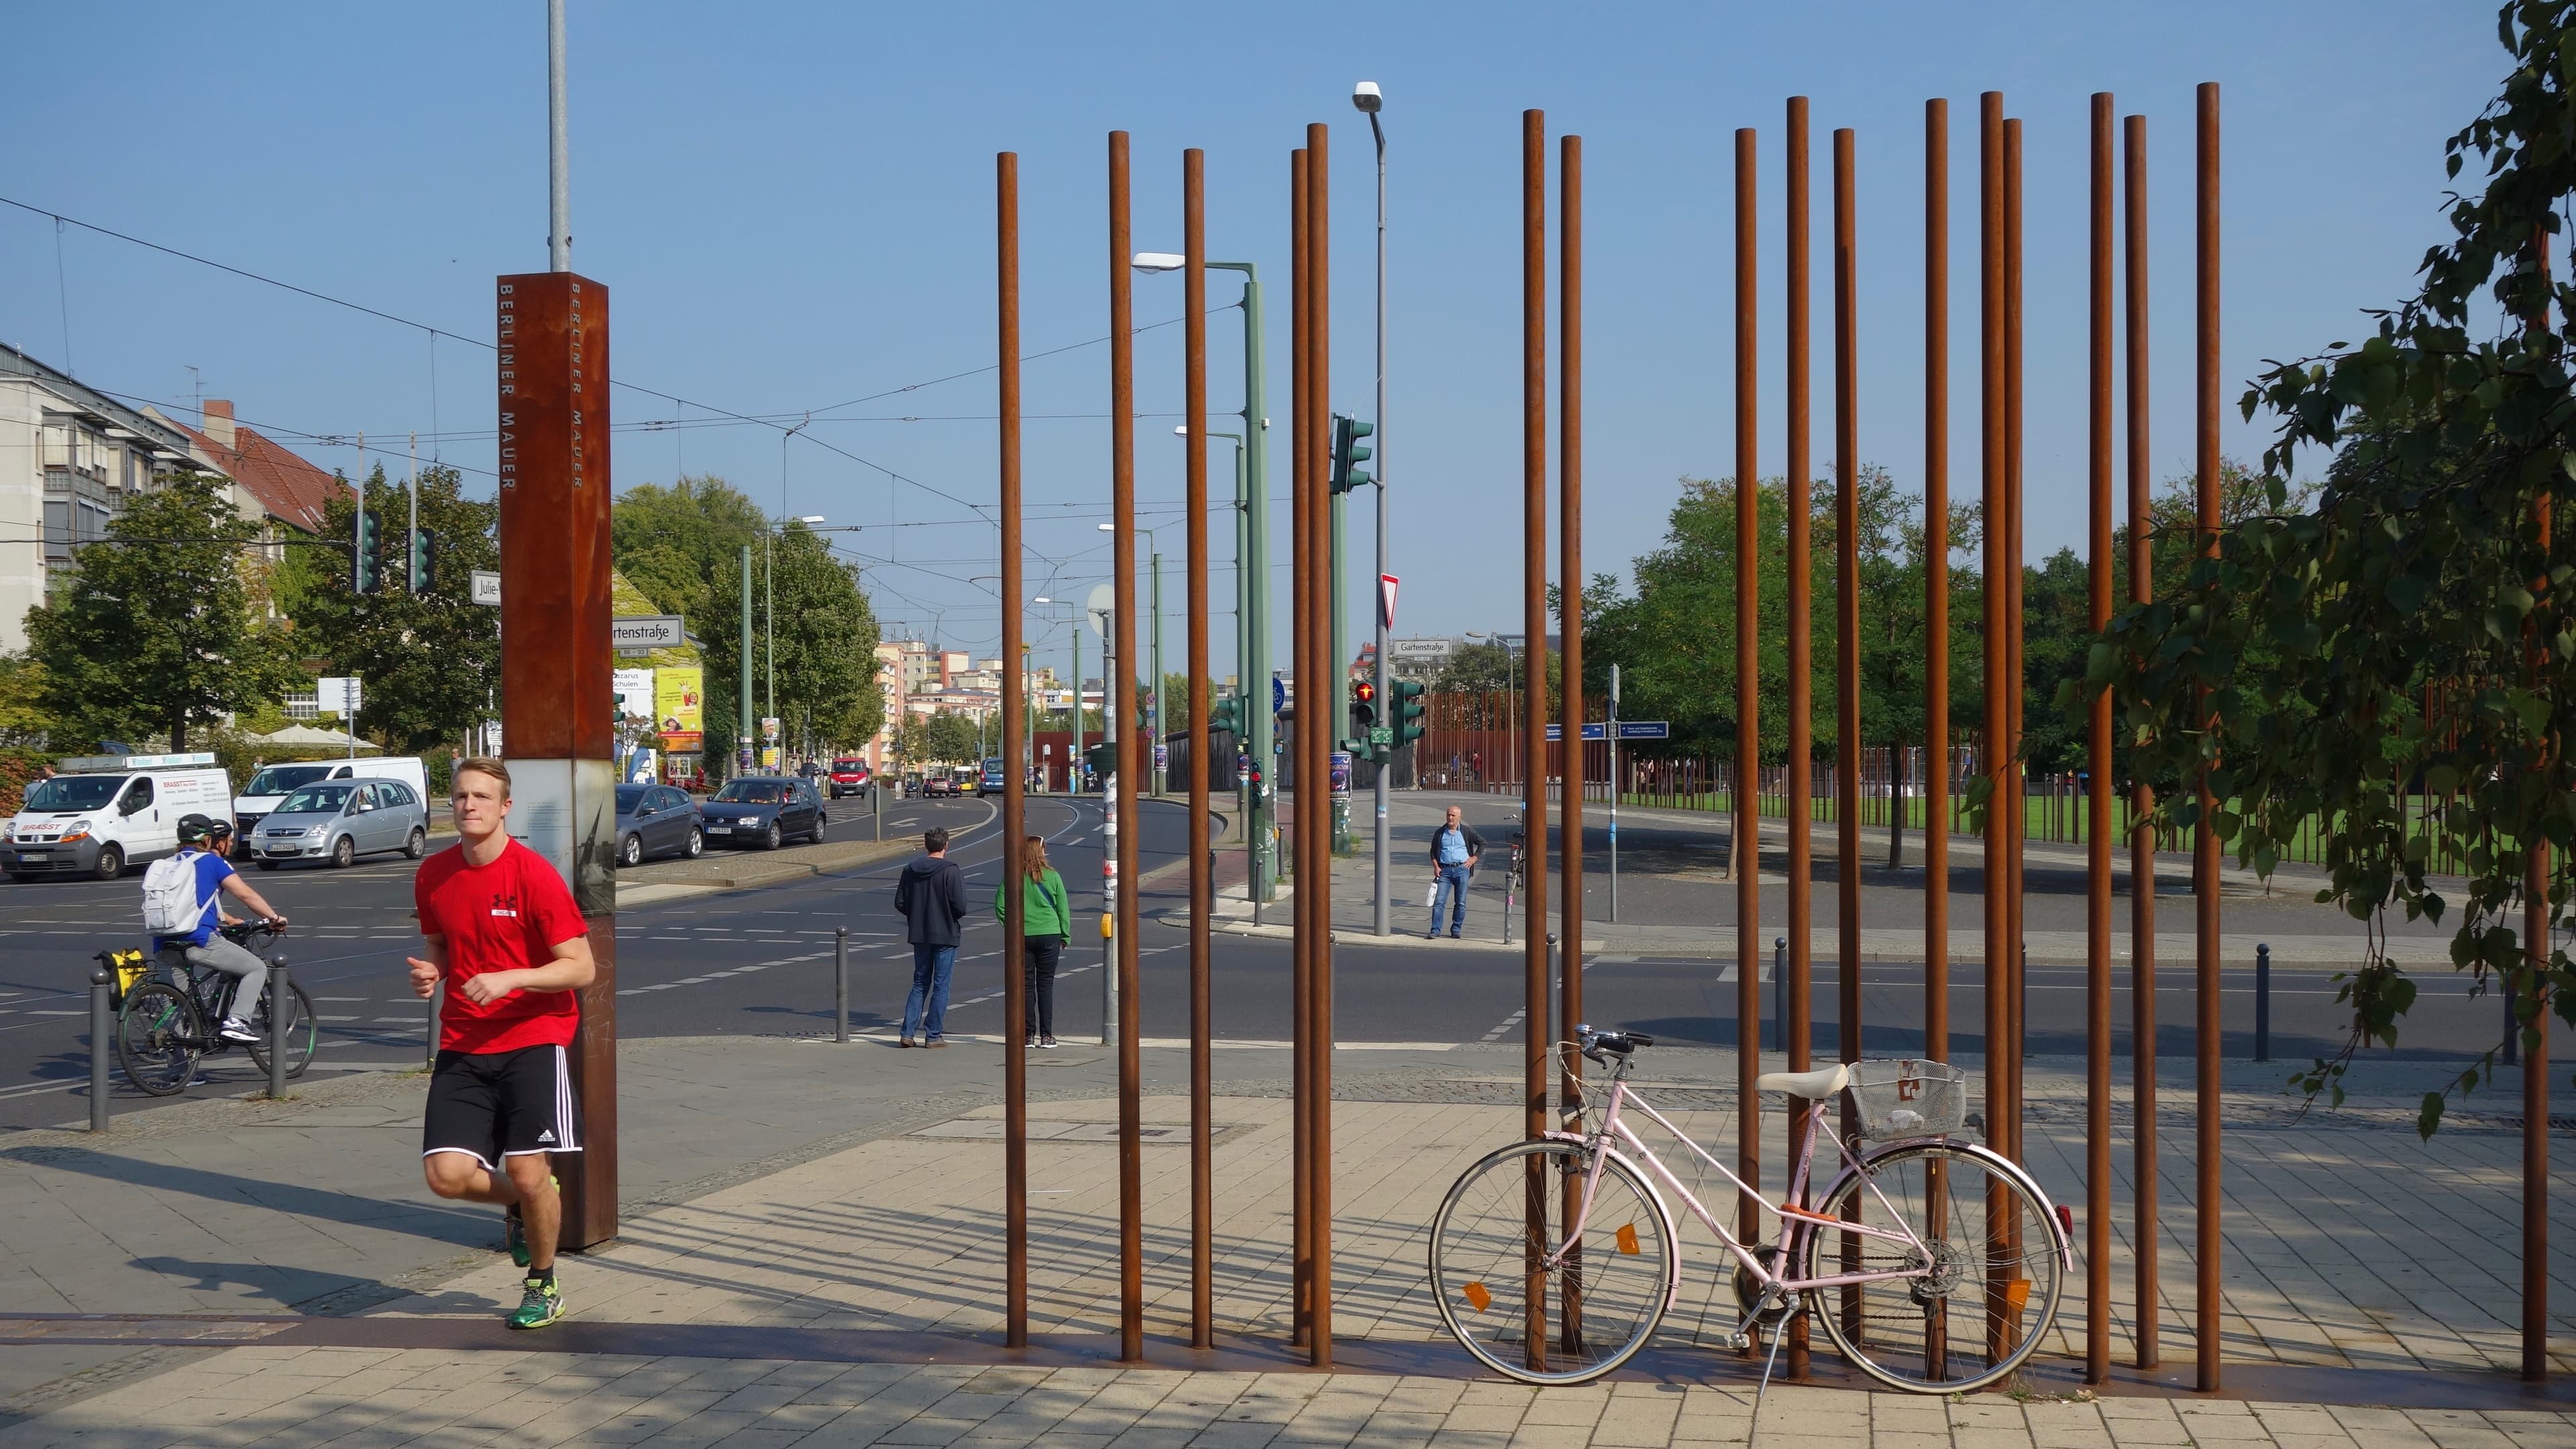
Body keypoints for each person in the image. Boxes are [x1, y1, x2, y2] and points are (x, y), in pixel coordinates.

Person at [406, 758, 596, 1332]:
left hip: (534, 1039)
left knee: (533, 1170)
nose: (469, 806)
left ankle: (542, 1281)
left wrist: (513, 978)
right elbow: (440, 945)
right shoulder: (433, 874)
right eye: (460, 796)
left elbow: (581, 967)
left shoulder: (533, 875)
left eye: (482, 797)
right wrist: (431, 973)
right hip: (465, 1038)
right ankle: (522, 1202)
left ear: (504, 807)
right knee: (446, 1176)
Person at [148, 816, 288, 1042]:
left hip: (162, 943)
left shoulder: (164, 865)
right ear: (207, 839)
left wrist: (228, 919)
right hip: (198, 939)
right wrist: (273, 917)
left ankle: (178, 1074)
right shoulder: (211, 862)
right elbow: (246, 895)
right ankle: (237, 1021)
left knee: (176, 1007)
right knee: (256, 969)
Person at [895, 826, 968, 1048]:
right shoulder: (951, 870)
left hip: (920, 933)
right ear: (946, 845)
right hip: (945, 933)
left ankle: (907, 1032)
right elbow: (960, 906)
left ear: (927, 845)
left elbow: (900, 902)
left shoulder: (910, 869)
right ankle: (933, 1035)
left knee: (919, 982)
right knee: (941, 985)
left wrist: (917, 914)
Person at [995, 835, 1070, 1049]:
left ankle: (1028, 1035)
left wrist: (1011, 928)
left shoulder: (1013, 876)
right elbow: (1063, 908)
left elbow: (1000, 905)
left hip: (1023, 936)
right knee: (1045, 985)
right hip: (1050, 934)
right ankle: (1047, 1036)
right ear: (1041, 852)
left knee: (1026, 986)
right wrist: (1065, 934)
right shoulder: (1053, 876)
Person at [1427, 805, 1485, 940]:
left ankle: (1456, 929)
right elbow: (1433, 851)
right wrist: (1436, 867)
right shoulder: (1440, 833)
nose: (1450, 818)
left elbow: (1483, 843)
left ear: (1459, 817)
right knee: (1439, 901)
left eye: (1453, 815)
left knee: (1461, 902)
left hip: (1461, 870)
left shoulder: (1466, 832)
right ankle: (1435, 930)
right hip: (1444, 871)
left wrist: (1474, 858)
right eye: (1448, 815)